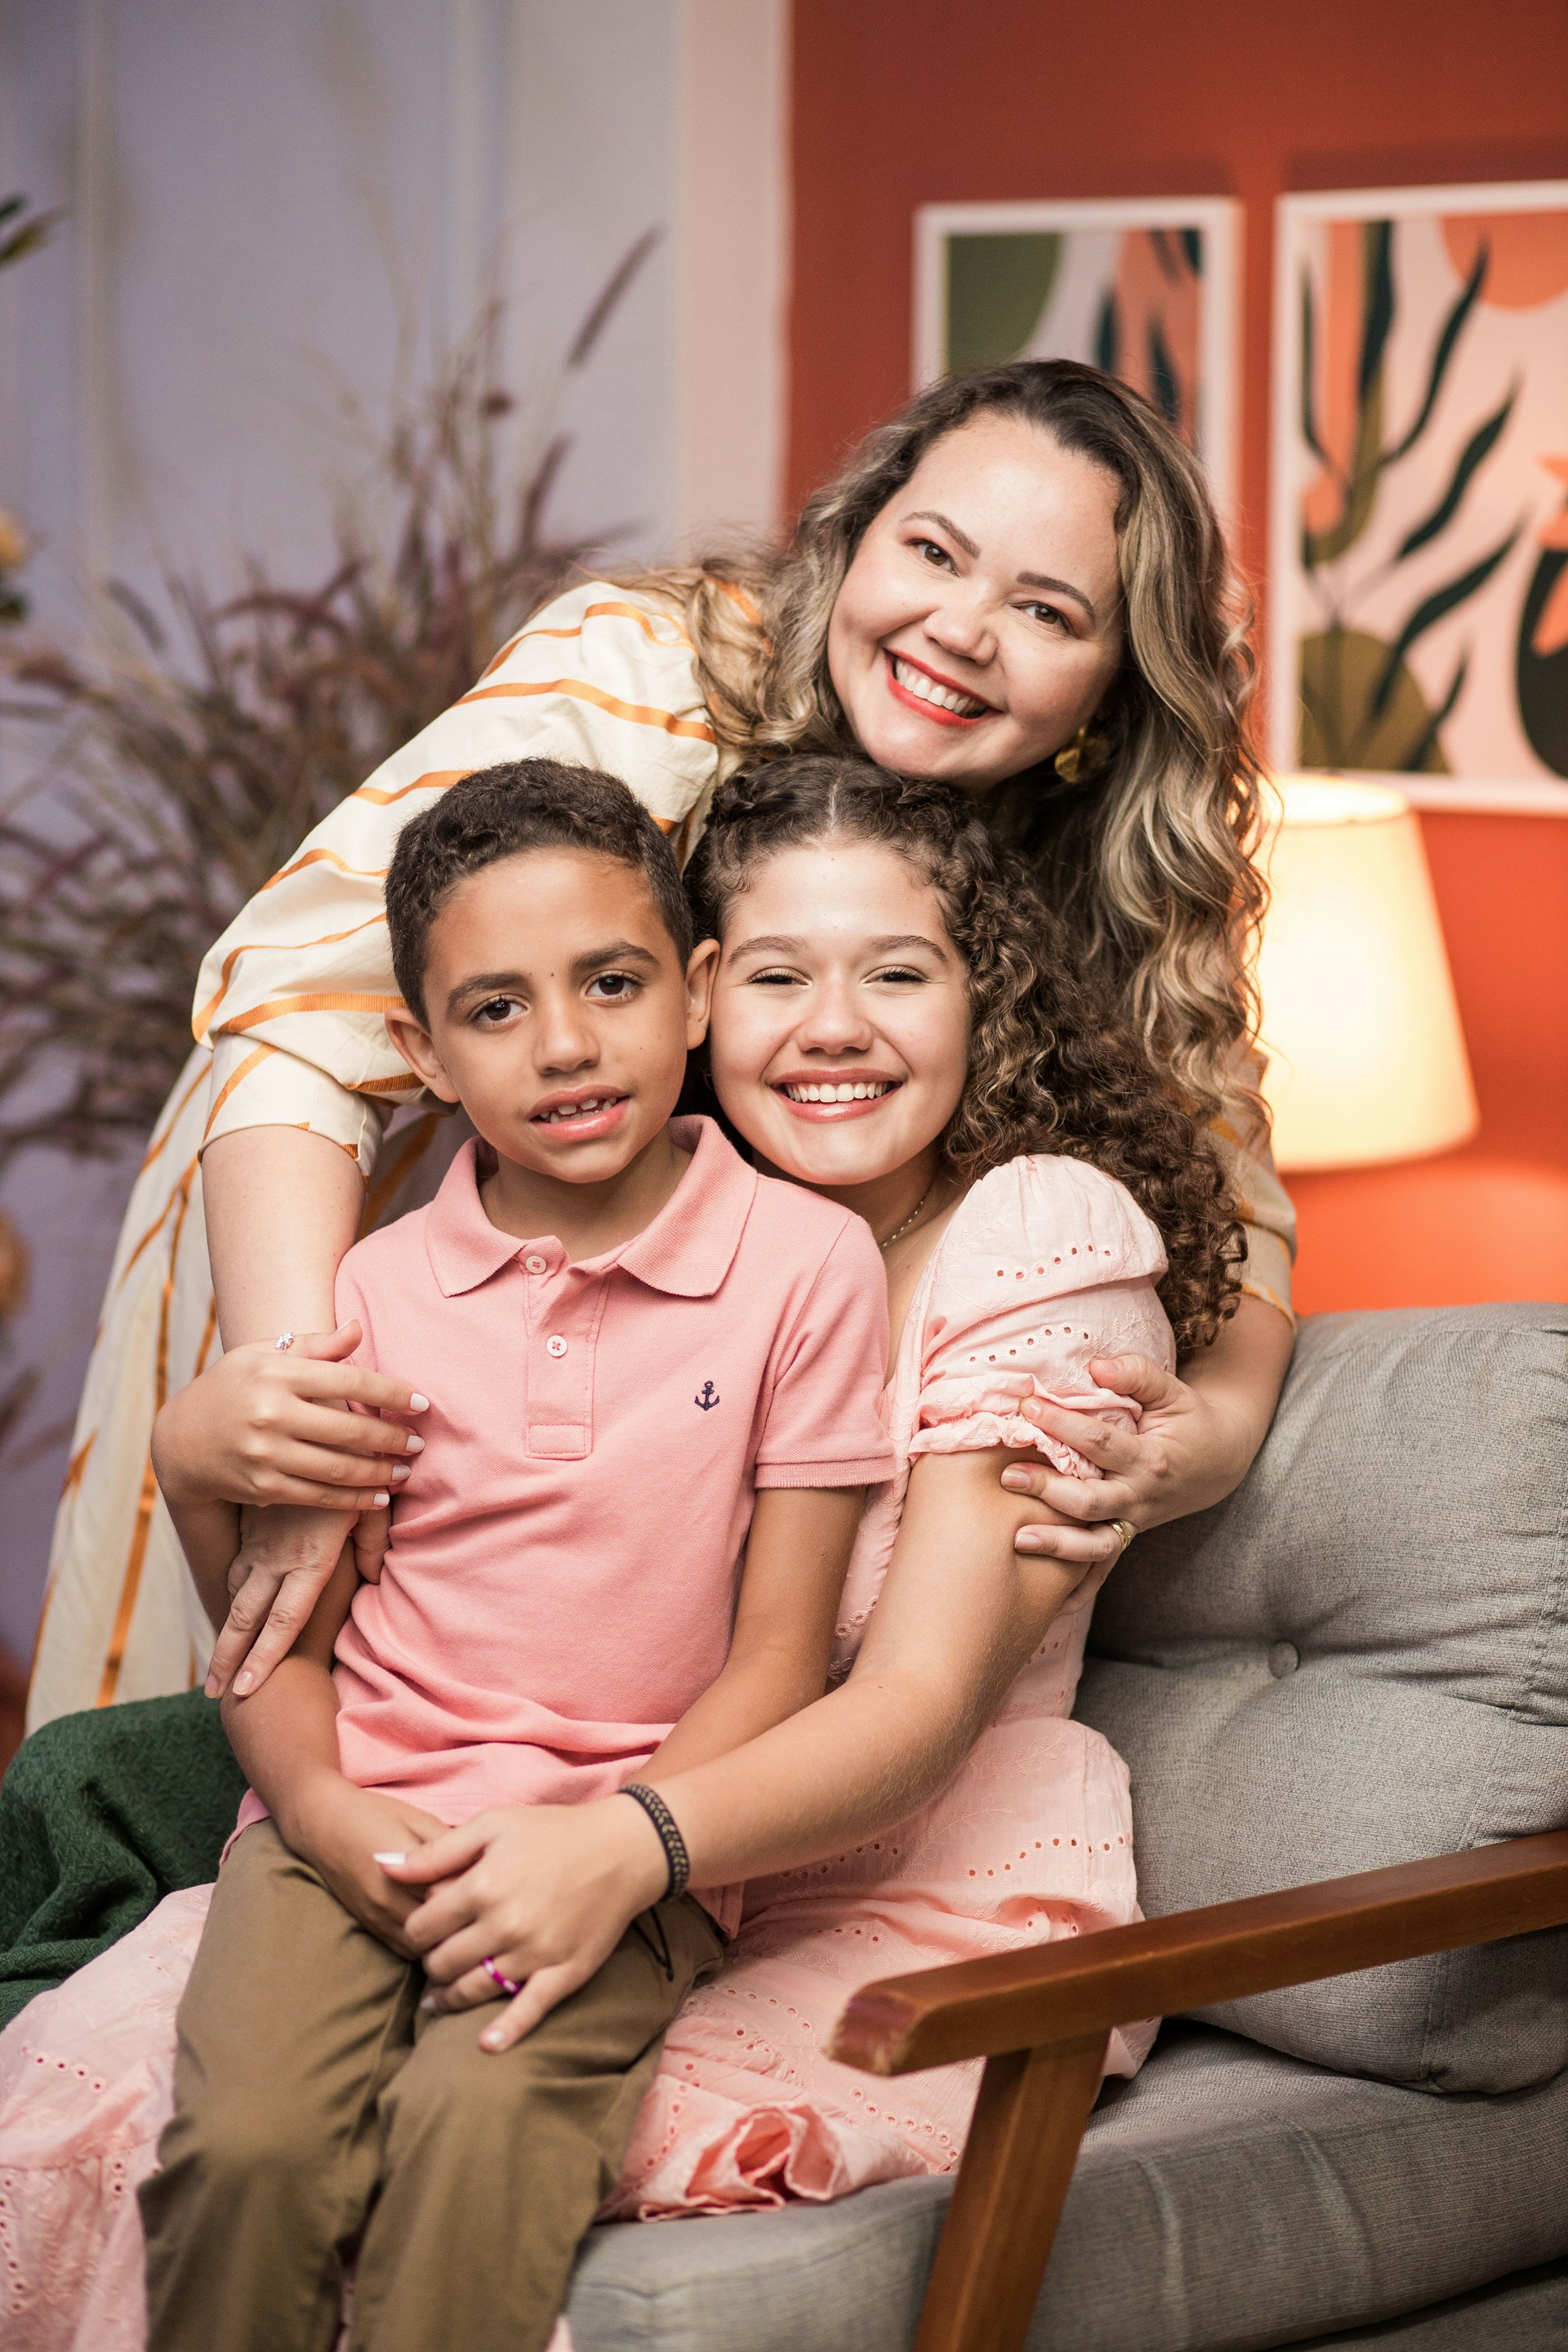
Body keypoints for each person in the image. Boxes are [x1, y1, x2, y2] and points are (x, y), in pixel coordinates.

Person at [0, 760, 1240, 2339]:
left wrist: (615, 1846)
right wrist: (195, 1469)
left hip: (800, 1853)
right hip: (450, 1818)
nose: (836, 1026)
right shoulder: (407, 1277)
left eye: (900, 971)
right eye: (786, 972)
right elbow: (301, 1607)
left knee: (472, 2130)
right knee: (206, 2127)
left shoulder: (946, 1247)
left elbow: (867, 1686)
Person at [29, 358, 1294, 1730]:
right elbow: (300, 1010)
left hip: (649, 1372)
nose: (963, 629)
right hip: (336, 1233)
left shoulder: (1115, 859)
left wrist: (1214, 1434)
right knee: (242, 1722)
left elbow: (1230, 1195)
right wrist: (310, 1437)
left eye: (1046, 610)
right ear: (854, 532)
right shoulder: (658, 672)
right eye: (932, 551)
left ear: (1114, 684)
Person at [140, 757, 896, 2352]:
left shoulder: (807, 1269)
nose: (563, 1045)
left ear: (694, 994)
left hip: (621, 1852)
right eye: (494, 1009)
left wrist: (617, 1855)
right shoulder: (370, 1293)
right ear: (421, 1052)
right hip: (355, 1834)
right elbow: (291, 1642)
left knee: (474, 2141)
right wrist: (337, 1821)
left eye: (610, 983)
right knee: (252, 2147)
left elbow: (781, 1653)